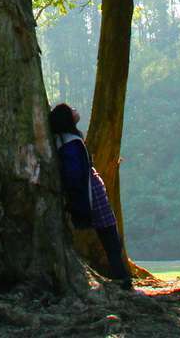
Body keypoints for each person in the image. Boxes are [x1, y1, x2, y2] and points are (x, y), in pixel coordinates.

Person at [49, 102, 132, 286]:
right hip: (90, 191)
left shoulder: (67, 140)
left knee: (110, 237)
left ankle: (121, 277)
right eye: (70, 110)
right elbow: (74, 174)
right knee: (110, 237)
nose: (75, 110)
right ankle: (122, 279)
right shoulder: (70, 143)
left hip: (90, 189)